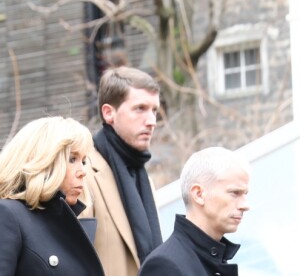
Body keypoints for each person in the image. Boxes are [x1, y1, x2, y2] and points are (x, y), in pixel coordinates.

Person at [80, 66, 162, 276]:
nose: (152, 121)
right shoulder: (82, 174)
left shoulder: (144, 179)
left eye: (154, 110)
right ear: (109, 113)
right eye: (140, 108)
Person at [0, 116, 105, 276]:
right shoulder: (8, 215)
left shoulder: (67, 223)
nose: (83, 171)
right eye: (72, 159)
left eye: (83, 161)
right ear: (42, 160)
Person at [138, 147, 251, 276]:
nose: (245, 205)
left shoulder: (210, 259)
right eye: (235, 193)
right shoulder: (165, 265)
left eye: (245, 194)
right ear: (198, 194)